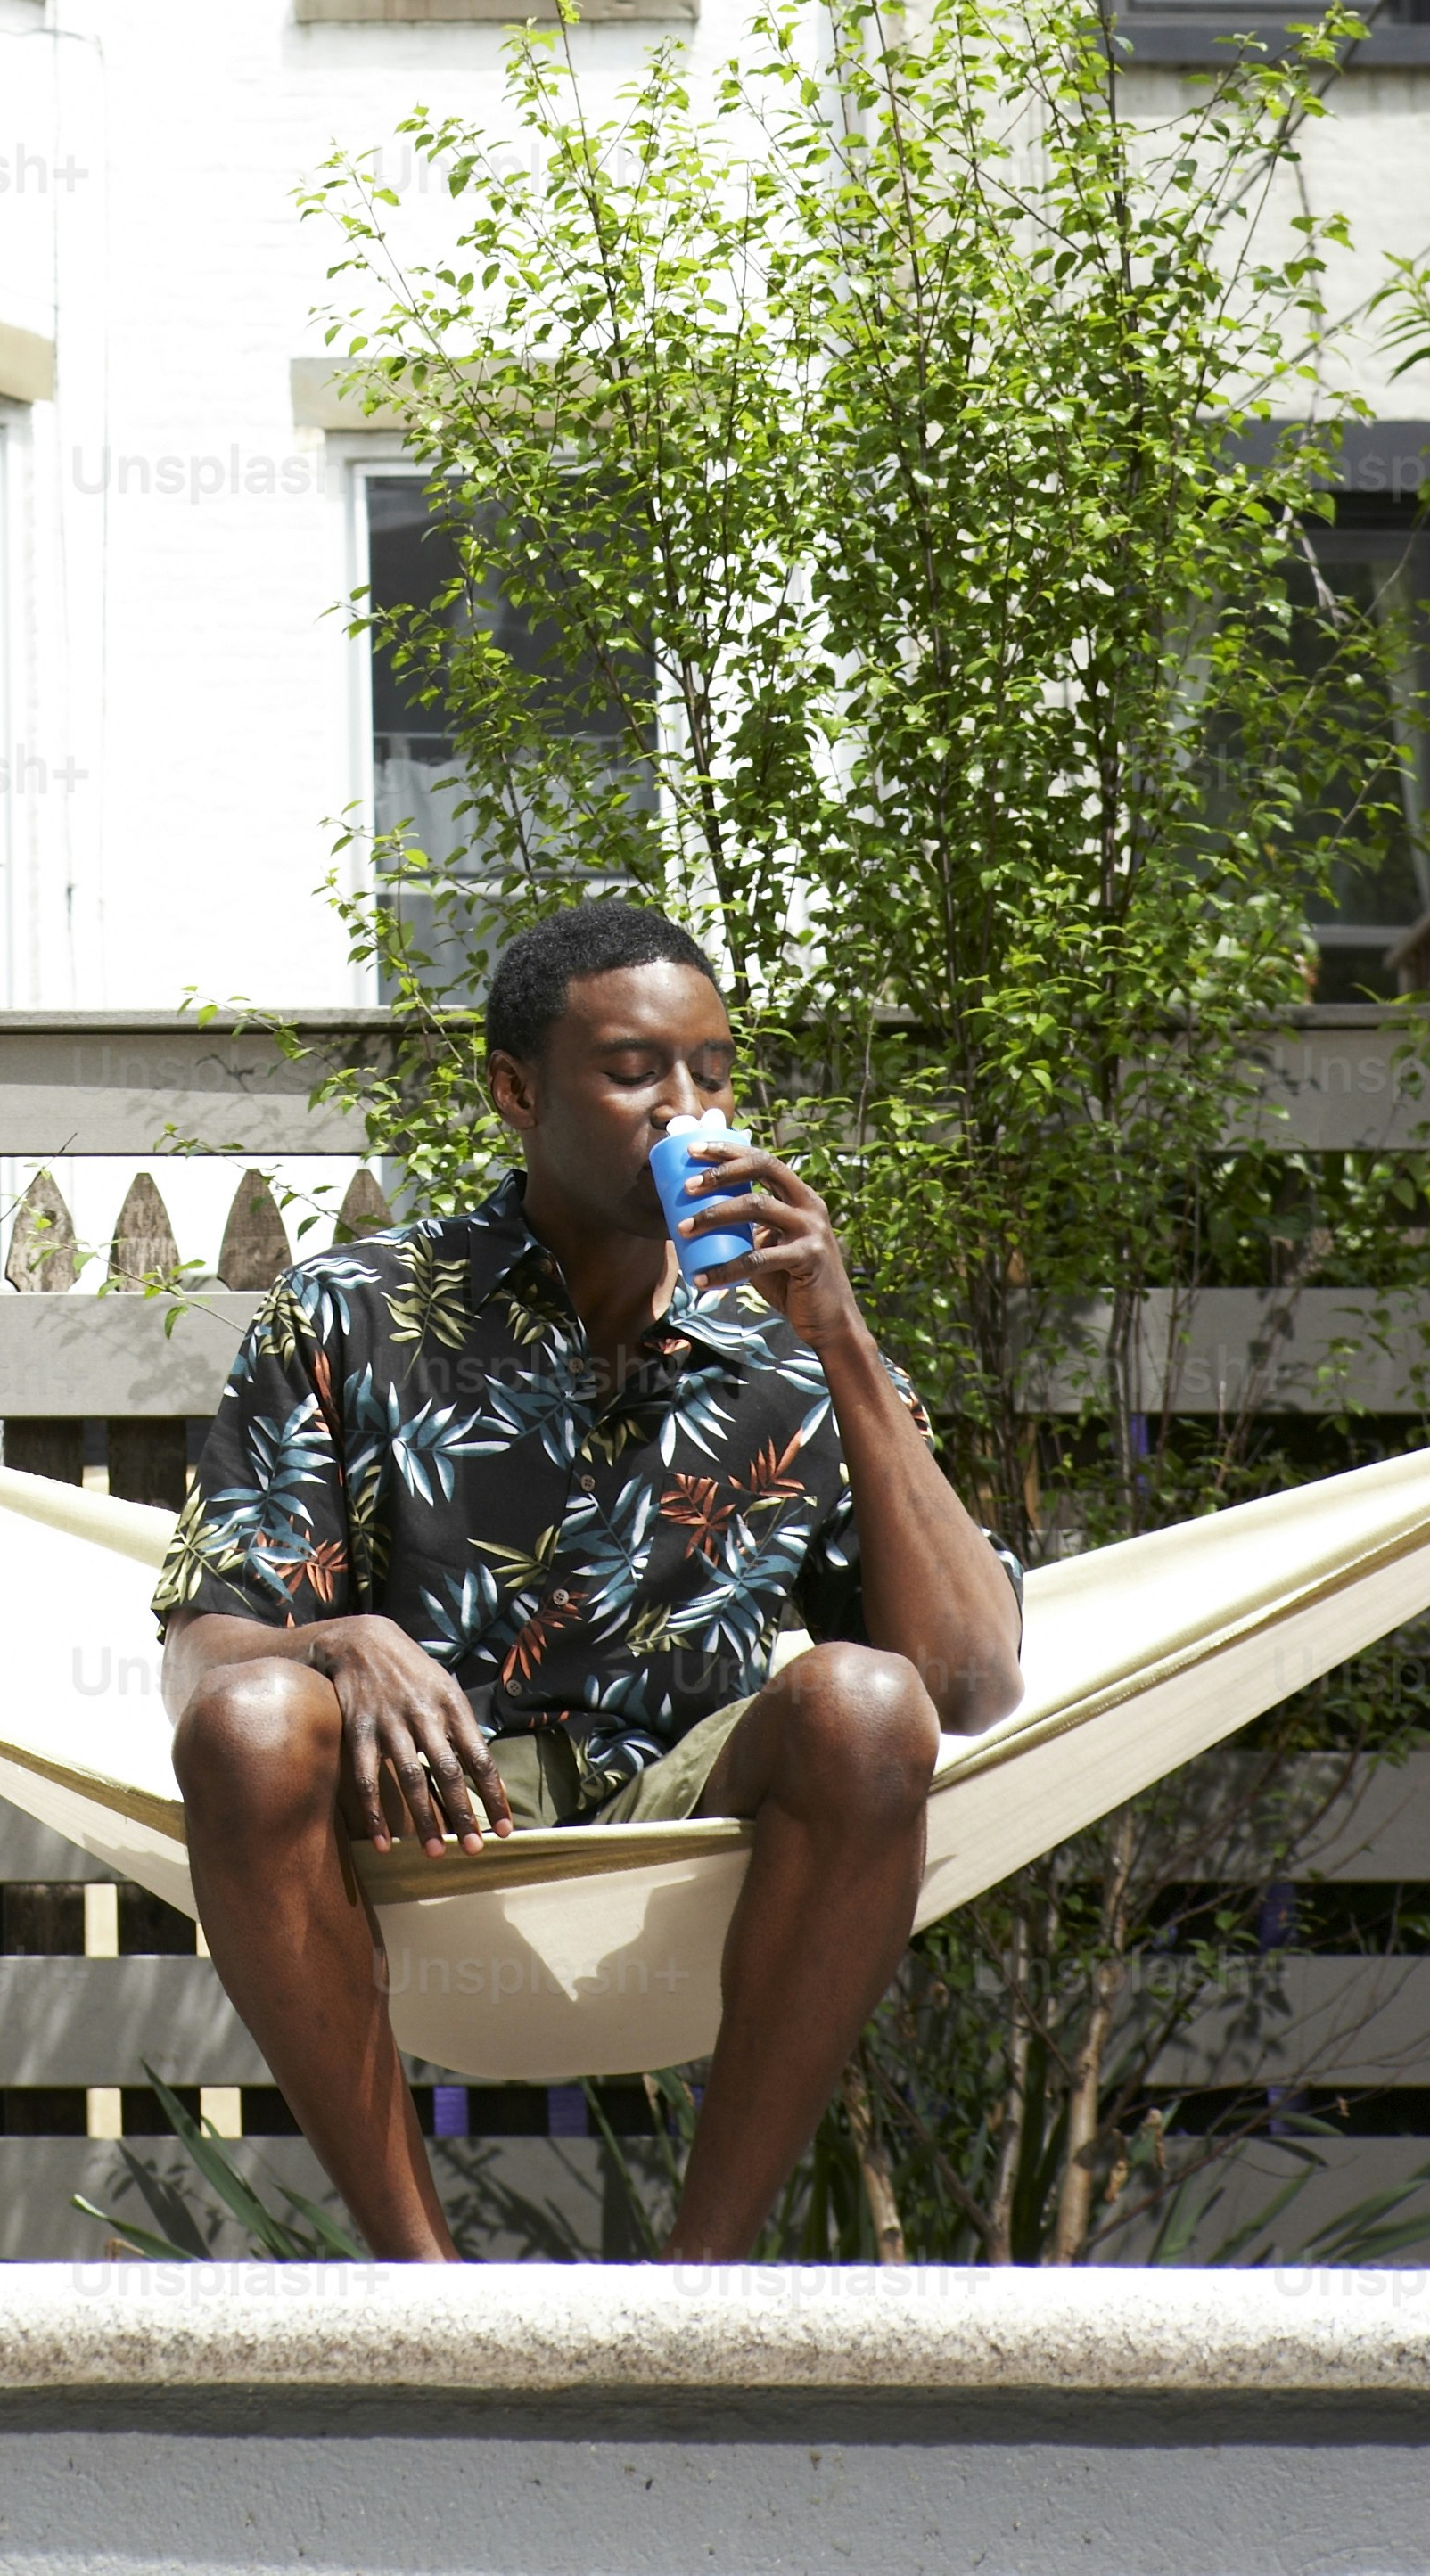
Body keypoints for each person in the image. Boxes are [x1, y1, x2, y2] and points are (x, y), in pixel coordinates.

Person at [158, 898, 1023, 2260]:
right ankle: (425, 2288)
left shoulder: (794, 1351)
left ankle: (696, 2292)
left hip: (698, 1808)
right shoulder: (359, 1310)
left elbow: (969, 1684)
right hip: (435, 1810)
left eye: (714, 1072)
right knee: (252, 1717)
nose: (687, 1107)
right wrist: (342, 1640)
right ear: (517, 1090)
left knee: (864, 1702)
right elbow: (202, 1661)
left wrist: (846, 1342)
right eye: (635, 1071)